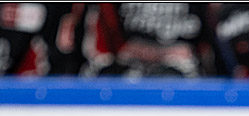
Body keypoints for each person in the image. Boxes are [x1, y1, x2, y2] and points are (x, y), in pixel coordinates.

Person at [80, 2, 216, 77]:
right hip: (130, 65)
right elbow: (104, 44)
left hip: (181, 67)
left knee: (172, 79)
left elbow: (209, 43)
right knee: (104, 76)